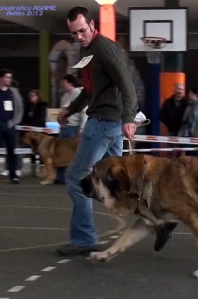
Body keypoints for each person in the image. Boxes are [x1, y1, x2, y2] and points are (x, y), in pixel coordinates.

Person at [55, 7, 140, 256]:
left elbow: (128, 87)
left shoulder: (106, 50)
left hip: (103, 123)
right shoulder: (87, 50)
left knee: (76, 178)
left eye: (82, 31)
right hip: (107, 123)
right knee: (119, 183)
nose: (79, 36)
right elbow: (90, 90)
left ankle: (83, 240)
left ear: (92, 25)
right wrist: (70, 110)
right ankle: (158, 215)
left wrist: (128, 119)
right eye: (74, 33)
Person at [0, 69, 23, 184]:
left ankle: (13, 175)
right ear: (1, 78)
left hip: (9, 125)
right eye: (7, 77)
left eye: (10, 78)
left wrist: (15, 121)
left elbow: (19, 108)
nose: (9, 80)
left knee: (11, 151)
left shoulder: (14, 92)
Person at [55, 74, 87, 184]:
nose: (62, 85)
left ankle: (74, 177)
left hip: (73, 128)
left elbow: (84, 112)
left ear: (70, 83)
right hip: (63, 128)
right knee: (59, 153)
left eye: (64, 83)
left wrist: (82, 128)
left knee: (73, 154)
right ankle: (59, 177)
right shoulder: (64, 96)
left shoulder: (78, 94)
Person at [21, 89, 47, 176]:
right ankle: (32, 169)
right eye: (30, 96)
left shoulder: (42, 106)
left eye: (33, 96)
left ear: (37, 96)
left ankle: (42, 170)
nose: (30, 98)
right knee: (31, 150)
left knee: (40, 150)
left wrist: (32, 125)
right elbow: (24, 118)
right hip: (30, 131)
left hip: (39, 131)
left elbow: (41, 119)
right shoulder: (28, 106)